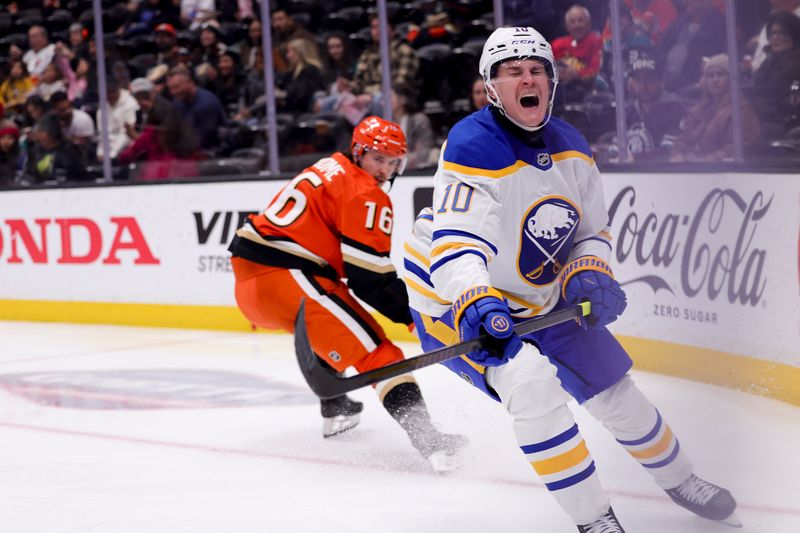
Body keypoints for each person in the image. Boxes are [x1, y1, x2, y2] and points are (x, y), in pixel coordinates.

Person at [402, 27, 739, 532]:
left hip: (541, 300)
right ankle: (594, 519)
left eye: (537, 69)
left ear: (552, 80)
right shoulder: (473, 144)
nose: (527, 78)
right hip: (453, 303)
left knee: (614, 388)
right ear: (492, 86)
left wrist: (588, 268)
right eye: (512, 71)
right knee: (532, 387)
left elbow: (591, 231)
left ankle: (681, 479)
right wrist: (474, 299)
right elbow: (458, 244)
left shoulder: (572, 147)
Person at [227, 116, 467, 471]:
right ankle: (430, 441)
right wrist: (416, 318)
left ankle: (336, 407)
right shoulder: (365, 192)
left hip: (254, 285)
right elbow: (371, 281)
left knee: (337, 313)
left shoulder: (329, 166)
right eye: (378, 158)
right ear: (358, 152)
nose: (384, 169)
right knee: (380, 354)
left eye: (393, 161)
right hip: (286, 278)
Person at [671, 54, 761, 162]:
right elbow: (682, 139)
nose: (715, 80)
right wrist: (677, 154)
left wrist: (710, 161)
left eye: (721, 74)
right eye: (710, 75)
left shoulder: (742, 110)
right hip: (690, 169)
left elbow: (742, 146)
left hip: (724, 172)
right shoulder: (696, 111)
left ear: (732, 79)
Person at [116, 96, 201, 181]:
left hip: (159, 176)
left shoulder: (151, 133)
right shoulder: (183, 128)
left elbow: (126, 157)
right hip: (188, 173)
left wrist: (136, 138)